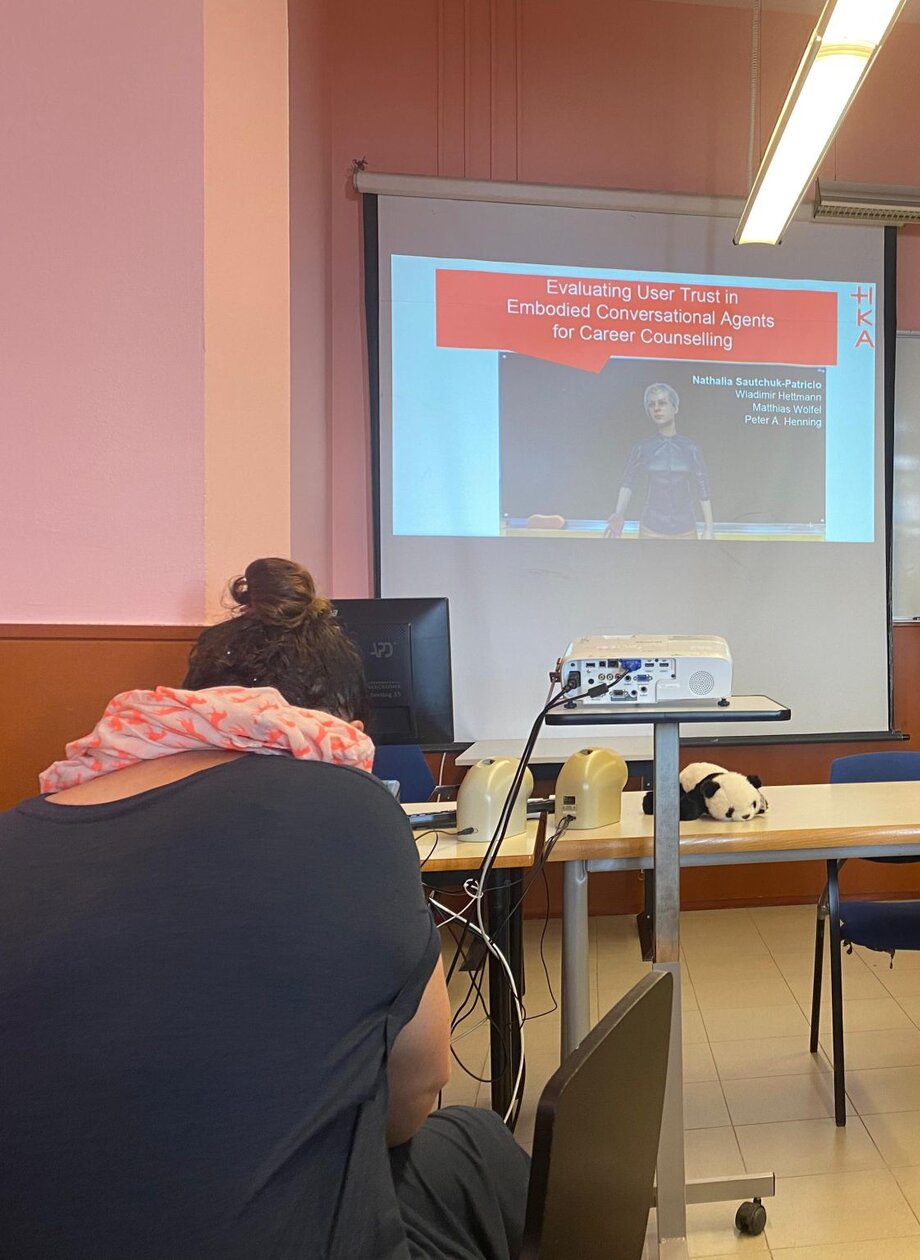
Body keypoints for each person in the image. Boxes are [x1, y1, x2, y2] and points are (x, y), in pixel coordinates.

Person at [0, 558, 528, 1260]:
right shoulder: (352, 810)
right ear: (350, 727)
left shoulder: (20, 829)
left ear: (188, 702)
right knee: (477, 1143)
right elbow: (415, 1094)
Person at [604, 382, 715, 539]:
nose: (656, 408)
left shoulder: (691, 448)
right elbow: (628, 482)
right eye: (651, 405)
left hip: (685, 530)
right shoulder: (643, 447)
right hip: (651, 529)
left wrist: (709, 528)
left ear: (675, 408)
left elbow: (702, 486)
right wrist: (619, 514)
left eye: (662, 403)